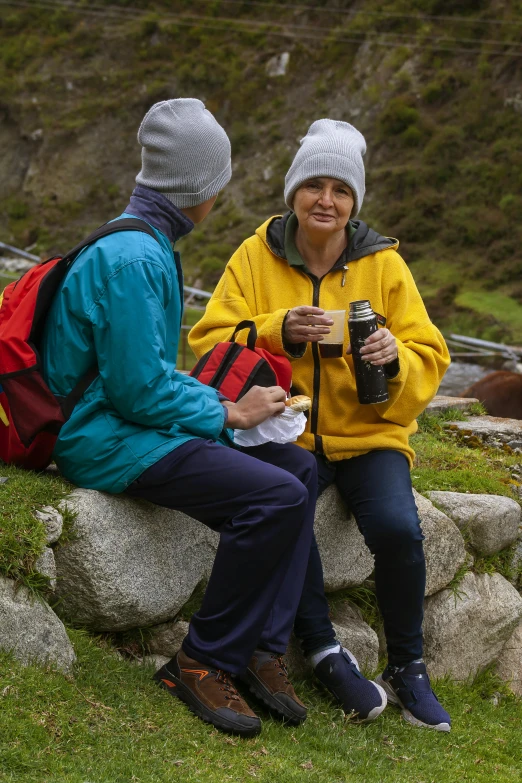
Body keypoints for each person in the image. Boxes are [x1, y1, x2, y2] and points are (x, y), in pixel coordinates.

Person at [41, 98, 320, 737]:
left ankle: (259, 645)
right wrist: (228, 409)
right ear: (200, 187)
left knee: (297, 469)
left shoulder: (143, 237)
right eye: (217, 182)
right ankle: (200, 661)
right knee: (275, 495)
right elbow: (138, 392)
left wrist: (225, 414)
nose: (218, 195)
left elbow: (143, 377)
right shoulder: (136, 258)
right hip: (105, 438)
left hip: (130, 422)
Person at [189, 118, 452, 731]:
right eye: (314, 186)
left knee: (397, 529)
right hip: (285, 434)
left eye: (340, 189)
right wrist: (276, 327)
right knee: (288, 510)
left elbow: (431, 353)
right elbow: (206, 344)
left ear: (354, 200)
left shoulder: (384, 265)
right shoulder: (256, 254)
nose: (325, 200)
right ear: (294, 194)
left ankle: (409, 667)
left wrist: (397, 356)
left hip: (370, 434)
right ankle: (324, 649)